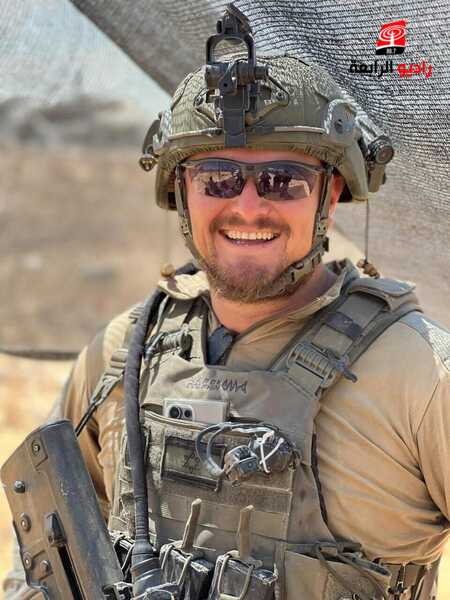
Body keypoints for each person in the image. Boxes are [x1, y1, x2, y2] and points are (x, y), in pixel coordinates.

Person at [3, 8, 449, 600]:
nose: (248, 207)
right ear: (181, 193)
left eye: (283, 181)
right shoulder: (125, 352)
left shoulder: (420, 373)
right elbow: (44, 559)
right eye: (217, 179)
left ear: (330, 195)